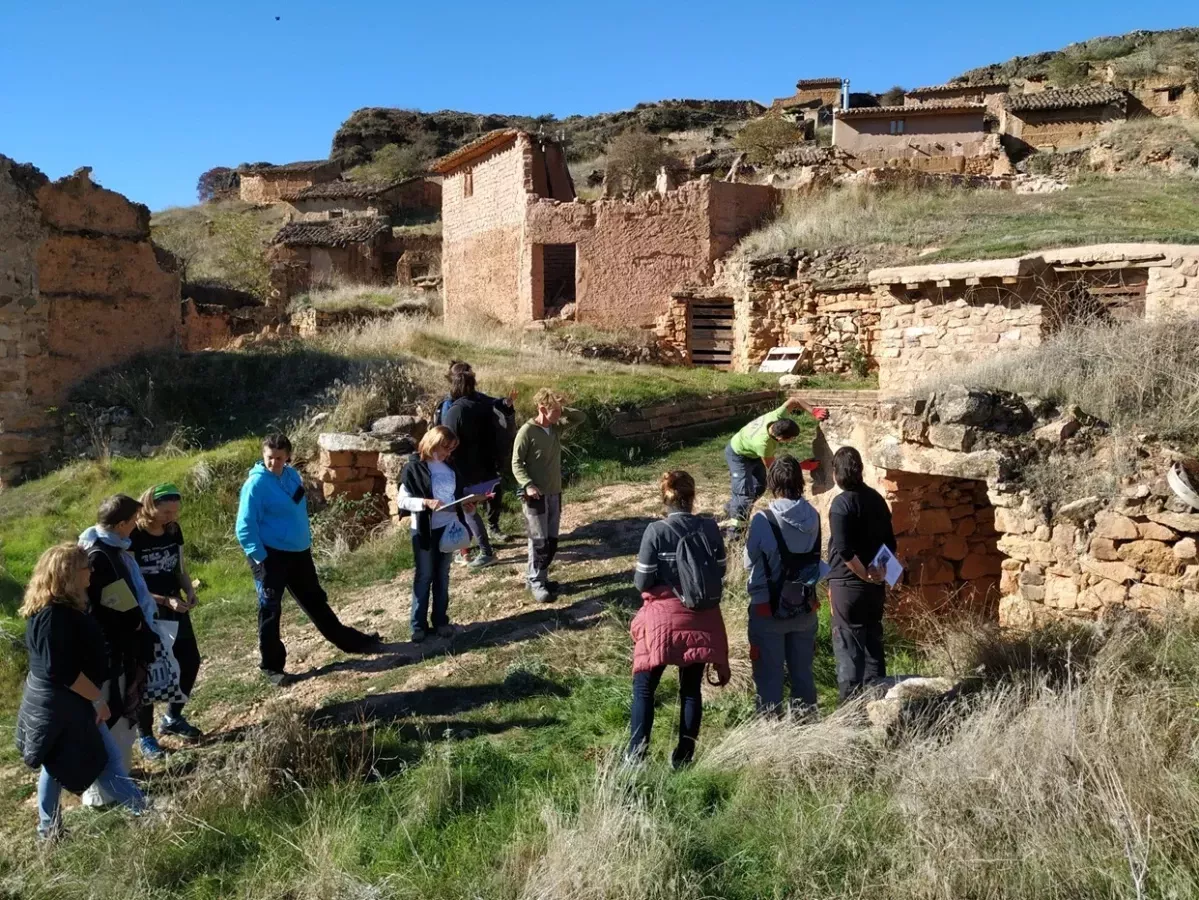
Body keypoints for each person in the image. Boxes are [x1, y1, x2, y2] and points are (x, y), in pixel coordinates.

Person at [15, 544, 147, 841]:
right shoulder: (54, 616)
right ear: (70, 574)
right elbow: (61, 671)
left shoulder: (56, 607)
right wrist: (97, 699)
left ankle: (48, 832)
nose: (92, 570)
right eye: (87, 567)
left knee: (55, 762)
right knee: (105, 762)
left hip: (62, 704)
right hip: (65, 706)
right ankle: (147, 813)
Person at [236, 433, 381, 686]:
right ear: (263, 455)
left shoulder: (291, 475)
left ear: (288, 456)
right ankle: (271, 668)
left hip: (298, 553)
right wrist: (262, 559)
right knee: (270, 611)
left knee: (315, 600)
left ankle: (352, 643)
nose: (274, 463)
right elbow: (244, 527)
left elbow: (296, 506)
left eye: (280, 458)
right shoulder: (255, 485)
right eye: (270, 458)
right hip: (270, 556)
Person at [628, 471, 730, 767]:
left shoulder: (656, 532)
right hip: (701, 617)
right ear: (692, 496)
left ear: (664, 498)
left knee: (644, 687)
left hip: (662, 619)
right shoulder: (710, 528)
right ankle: (684, 757)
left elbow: (641, 582)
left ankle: (636, 756)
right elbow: (720, 570)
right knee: (690, 689)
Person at [78, 494, 162, 800]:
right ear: (121, 523)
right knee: (113, 713)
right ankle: (106, 789)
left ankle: (119, 775)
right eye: (133, 521)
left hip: (120, 646)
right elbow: (116, 606)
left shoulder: (109, 549)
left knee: (121, 711)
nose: (136, 527)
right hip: (114, 649)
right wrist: (139, 626)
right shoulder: (102, 555)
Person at [744, 455, 823, 717]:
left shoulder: (762, 520)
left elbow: (748, 561)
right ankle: (805, 726)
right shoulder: (814, 515)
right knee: (803, 674)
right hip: (804, 605)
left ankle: (771, 737)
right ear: (800, 482)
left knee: (769, 677)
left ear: (772, 483)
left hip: (768, 608)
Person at [130, 483, 203, 759]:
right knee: (150, 672)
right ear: (150, 506)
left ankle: (173, 717)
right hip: (148, 611)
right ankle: (145, 736)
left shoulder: (173, 530)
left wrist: (189, 589)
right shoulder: (134, 535)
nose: (171, 516)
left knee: (190, 660)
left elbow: (180, 568)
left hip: (175, 606)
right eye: (166, 511)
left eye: (175, 511)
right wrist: (162, 600)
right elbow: (132, 583)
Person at [827, 446, 897, 703]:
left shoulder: (841, 504)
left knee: (848, 648)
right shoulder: (877, 499)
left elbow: (845, 550)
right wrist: (879, 572)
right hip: (875, 587)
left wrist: (864, 574)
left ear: (836, 473)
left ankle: (851, 712)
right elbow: (890, 543)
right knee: (872, 645)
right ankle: (880, 704)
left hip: (849, 586)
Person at [396, 425, 476, 643]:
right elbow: (402, 501)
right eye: (445, 448)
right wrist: (425, 502)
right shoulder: (414, 467)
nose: (447, 453)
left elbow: (457, 495)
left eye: (450, 449)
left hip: (448, 528)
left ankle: (441, 621)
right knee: (424, 576)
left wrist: (467, 505)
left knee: (442, 576)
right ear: (432, 443)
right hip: (424, 530)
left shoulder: (451, 468)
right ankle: (417, 626)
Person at [511, 388, 586, 603]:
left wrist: (561, 405)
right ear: (542, 408)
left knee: (551, 540)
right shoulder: (527, 431)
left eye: (560, 410)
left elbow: (580, 417)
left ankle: (538, 577)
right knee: (538, 540)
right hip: (535, 496)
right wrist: (527, 485)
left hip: (555, 492)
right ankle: (536, 582)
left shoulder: (555, 428)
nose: (559, 414)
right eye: (555, 410)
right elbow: (516, 463)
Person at [434, 360, 516, 543]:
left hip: (482, 453)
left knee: (493, 490)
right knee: (462, 500)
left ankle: (492, 527)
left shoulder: (477, 398)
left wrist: (505, 403)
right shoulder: (448, 405)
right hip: (459, 458)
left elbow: (494, 403)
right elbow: (442, 434)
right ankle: (465, 538)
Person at [720, 396, 827, 533]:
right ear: (780, 438)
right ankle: (735, 532)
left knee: (759, 486)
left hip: (752, 452)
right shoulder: (763, 444)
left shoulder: (776, 416)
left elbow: (794, 400)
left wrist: (814, 411)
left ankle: (731, 507)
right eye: (791, 439)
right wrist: (801, 465)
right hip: (738, 455)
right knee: (744, 494)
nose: (791, 441)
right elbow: (776, 469)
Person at [443, 367, 506, 568]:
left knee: (467, 510)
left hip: (465, 470)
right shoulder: (484, 405)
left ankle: (484, 552)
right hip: (489, 469)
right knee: (468, 511)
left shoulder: (455, 411)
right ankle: (466, 551)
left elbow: (446, 443)